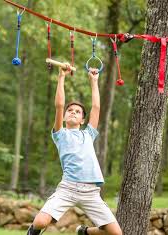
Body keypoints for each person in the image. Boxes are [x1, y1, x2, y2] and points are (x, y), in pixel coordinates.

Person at [27, 64, 122, 235]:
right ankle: (32, 232)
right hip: (68, 189)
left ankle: (84, 232)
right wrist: (61, 77)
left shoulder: (88, 134)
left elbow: (96, 107)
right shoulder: (60, 134)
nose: (72, 112)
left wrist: (94, 81)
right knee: (40, 222)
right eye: (70, 110)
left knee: (116, 233)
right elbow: (59, 105)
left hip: (91, 192)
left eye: (78, 112)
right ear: (64, 116)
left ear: (82, 120)